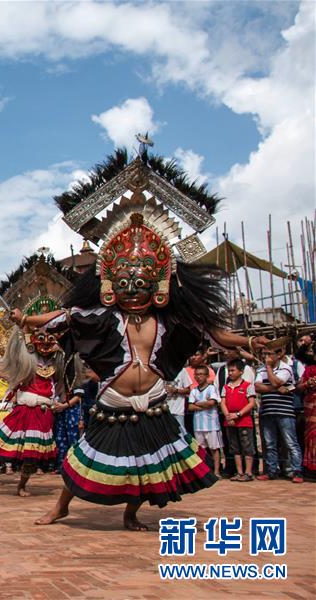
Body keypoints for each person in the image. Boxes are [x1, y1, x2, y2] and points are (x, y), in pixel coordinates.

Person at [25, 165, 267, 531]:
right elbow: (63, 314)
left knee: (145, 462)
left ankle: (131, 514)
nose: (134, 288)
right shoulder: (103, 317)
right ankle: (61, 507)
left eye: (141, 281)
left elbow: (219, 335)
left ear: (160, 283)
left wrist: (249, 340)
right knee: (86, 458)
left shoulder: (173, 321)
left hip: (152, 400)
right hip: (114, 401)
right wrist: (27, 320)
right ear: (109, 283)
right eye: (125, 282)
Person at [0, 328, 63, 497]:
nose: (46, 343)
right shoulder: (25, 362)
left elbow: (63, 385)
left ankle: (21, 486)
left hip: (42, 413)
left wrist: (63, 403)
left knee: (31, 455)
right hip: (22, 411)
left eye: (50, 339)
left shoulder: (57, 364)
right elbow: (0, 368)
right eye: (41, 338)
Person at [255, 345, 303, 483]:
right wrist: (275, 388)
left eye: (269, 354)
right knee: (270, 443)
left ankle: (297, 471)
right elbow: (258, 387)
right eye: (264, 354)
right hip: (267, 411)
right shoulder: (260, 369)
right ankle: (271, 471)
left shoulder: (285, 368)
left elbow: (277, 381)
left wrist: (269, 370)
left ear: (278, 355)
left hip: (285, 412)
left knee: (290, 443)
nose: (266, 358)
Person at [220, 359, 257, 481]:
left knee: (247, 446)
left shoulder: (247, 385)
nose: (230, 373)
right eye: (229, 370)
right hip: (230, 421)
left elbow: (251, 403)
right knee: (234, 447)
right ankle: (239, 472)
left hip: (244, 421)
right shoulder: (226, 387)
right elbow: (223, 403)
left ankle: (248, 472)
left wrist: (238, 414)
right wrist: (228, 416)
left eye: (233, 370)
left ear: (241, 371)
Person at [187, 365, 223, 477]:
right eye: (196, 374)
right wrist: (204, 404)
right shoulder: (194, 391)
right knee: (201, 450)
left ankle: (217, 471)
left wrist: (197, 403)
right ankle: (206, 472)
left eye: (201, 374)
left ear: (207, 376)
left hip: (211, 424)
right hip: (198, 425)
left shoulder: (212, 388)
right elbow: (190, 407)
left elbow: (212, 403)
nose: (198, 377)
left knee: (214, 449)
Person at [295, 335, 316, 478]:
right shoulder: (310, 369)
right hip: (311, 407)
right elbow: (299, 387)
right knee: (312, 436)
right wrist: (308, 384)